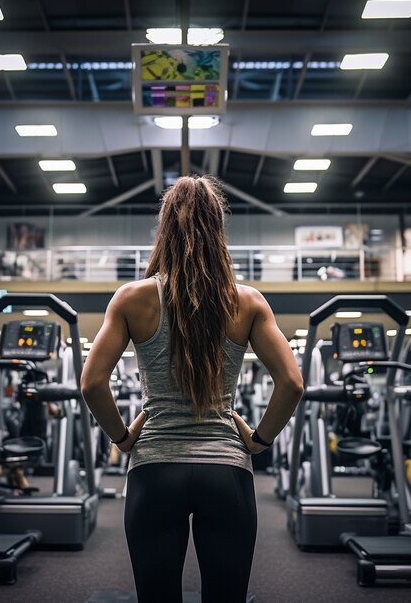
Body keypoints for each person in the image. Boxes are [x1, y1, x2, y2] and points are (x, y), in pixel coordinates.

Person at [81, 175, 304, 603]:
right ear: (218, 230)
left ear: (165, 229)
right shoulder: (249, 302)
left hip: (154, 470)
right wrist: (259, 441)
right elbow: (292, 383)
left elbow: (92, 383)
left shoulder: (131, 298)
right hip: (227, 471)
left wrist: (123, 438)